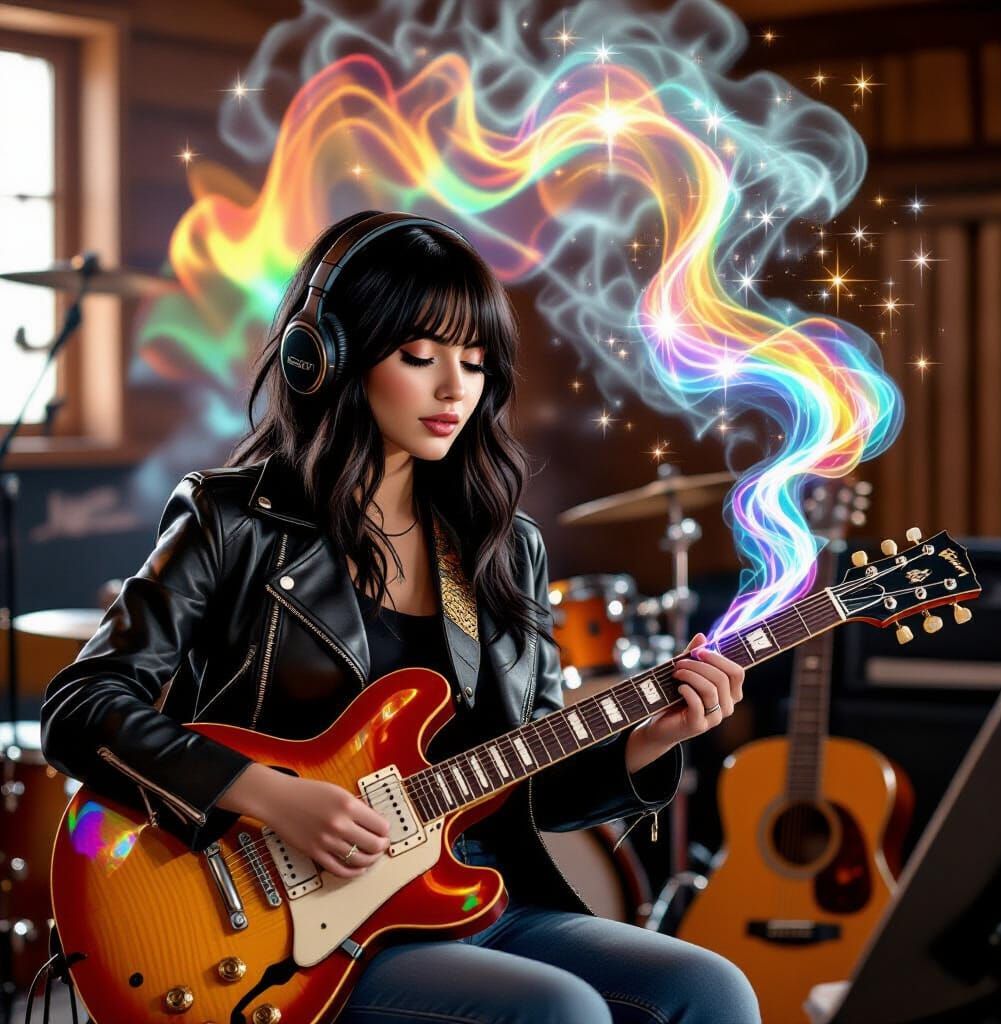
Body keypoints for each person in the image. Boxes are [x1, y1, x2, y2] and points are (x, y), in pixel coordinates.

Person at [41, 210, 760, 1023]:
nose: (456, 389)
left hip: (481, 894)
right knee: (559, 1011)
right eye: (420, 357)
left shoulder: (499, 545)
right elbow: (82, 709)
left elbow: (536, 787)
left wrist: (648, 739)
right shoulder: (230, 520)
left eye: (476, 362)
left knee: (710, 989)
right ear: (326, 359)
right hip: (296, 929)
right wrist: (271, 797)